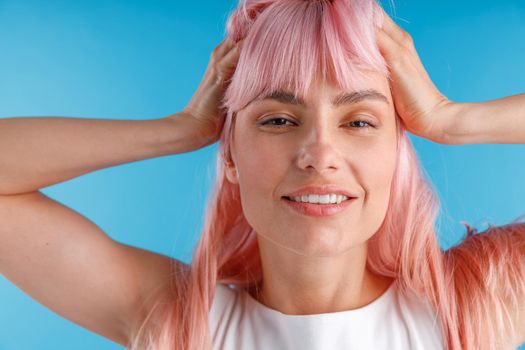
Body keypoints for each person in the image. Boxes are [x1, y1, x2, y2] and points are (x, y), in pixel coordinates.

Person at [0, 0, 524, 349]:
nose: (319, 154)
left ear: (398, 149)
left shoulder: (473, 308)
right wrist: (179, 130)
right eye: (278, 120)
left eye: (359, 122)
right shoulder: (185, 324)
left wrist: (451, 119)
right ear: (229, 154)